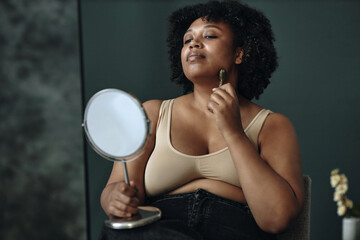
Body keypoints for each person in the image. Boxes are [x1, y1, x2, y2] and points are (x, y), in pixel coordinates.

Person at [99, 1, 304, 239]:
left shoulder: (272, 125)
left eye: (209, 36)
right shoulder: (153, 114)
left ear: (239, 53)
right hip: (158, 228)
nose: (194, 43)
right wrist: (114, 199)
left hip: (232, 228)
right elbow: (114, 187)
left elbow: (277, 218)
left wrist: (234, 133)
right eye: (187, 40)